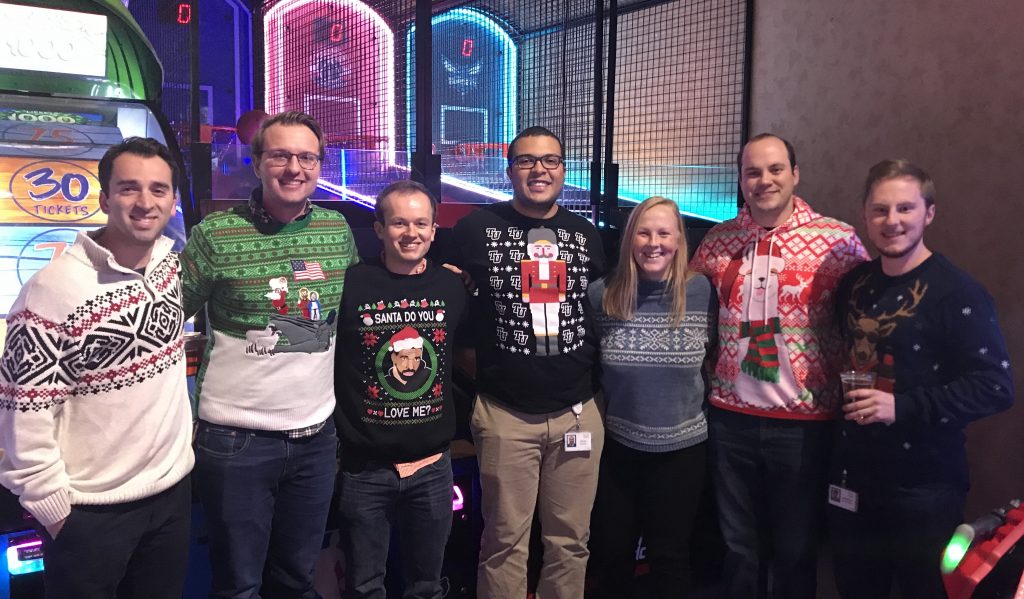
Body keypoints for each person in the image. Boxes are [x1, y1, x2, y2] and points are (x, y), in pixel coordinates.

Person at [0, 137, 194, 598]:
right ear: (105, 199)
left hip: (171, 496)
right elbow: (22, 412)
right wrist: (54, 509)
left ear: (173, 201)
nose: (145, 202)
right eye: (129, 188)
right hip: (90, 514)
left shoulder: (169, 269)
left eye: (158, 189)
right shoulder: (50, 291)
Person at [180, 111, 360, 598]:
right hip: (235, 441)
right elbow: (166, 315)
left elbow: (362, 303)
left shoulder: (337, 229)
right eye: (280, 155)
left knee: (297, 581)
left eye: (307, 157)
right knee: (238, 586)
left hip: (316, 438)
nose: (294, 168)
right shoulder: (216, 234)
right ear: (257, 162)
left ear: (319, 165)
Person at [690, 133, 868, 599]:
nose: (764, 180)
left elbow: (867, 320)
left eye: (775, 170)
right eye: (752, 172)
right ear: (740, 180)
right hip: (729, 420)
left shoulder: (838, 241)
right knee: (738, 548)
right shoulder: (718, 241)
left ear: (795, 174)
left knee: (796, 550)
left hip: (805, 424)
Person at [829, 159, 1014, 598]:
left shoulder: (959, 293)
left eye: (905, 208)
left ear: (929, 213)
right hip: (853, 478)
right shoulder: (853, 284)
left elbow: (995, 387)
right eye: (880, 210)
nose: (892, 221)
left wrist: (902, 406)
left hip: (925, 488)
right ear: (864, 215)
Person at [450, 126, 607, 598]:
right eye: (526, 160)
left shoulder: (587, 235)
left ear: (563, 169)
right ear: (510, 170)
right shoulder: (474, 230)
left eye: (550, 160)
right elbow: (450, 299)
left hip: (577, 411)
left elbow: (596, 311)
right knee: (504, 543)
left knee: (570, 543)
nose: (539, 169)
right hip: (505, 413)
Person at [334, 180, 467, 599]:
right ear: (379, 229)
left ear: (434, 230)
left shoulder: (453, 287)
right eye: (399, 223)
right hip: (364, 469)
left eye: (421, 223)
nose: (411, 233)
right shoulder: (351, 285)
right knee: (363, 587)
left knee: (427, 586)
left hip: (433, 466)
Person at [587, 196, 718, 598]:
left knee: (669, 558)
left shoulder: (702, 292)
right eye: (643, 233)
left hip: (682, 452)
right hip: (618, 450)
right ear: (630, 239)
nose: (653, 243)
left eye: (663, 233)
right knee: (612, 556)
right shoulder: (602, 295)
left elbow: (717, 357)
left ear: (679, 240)